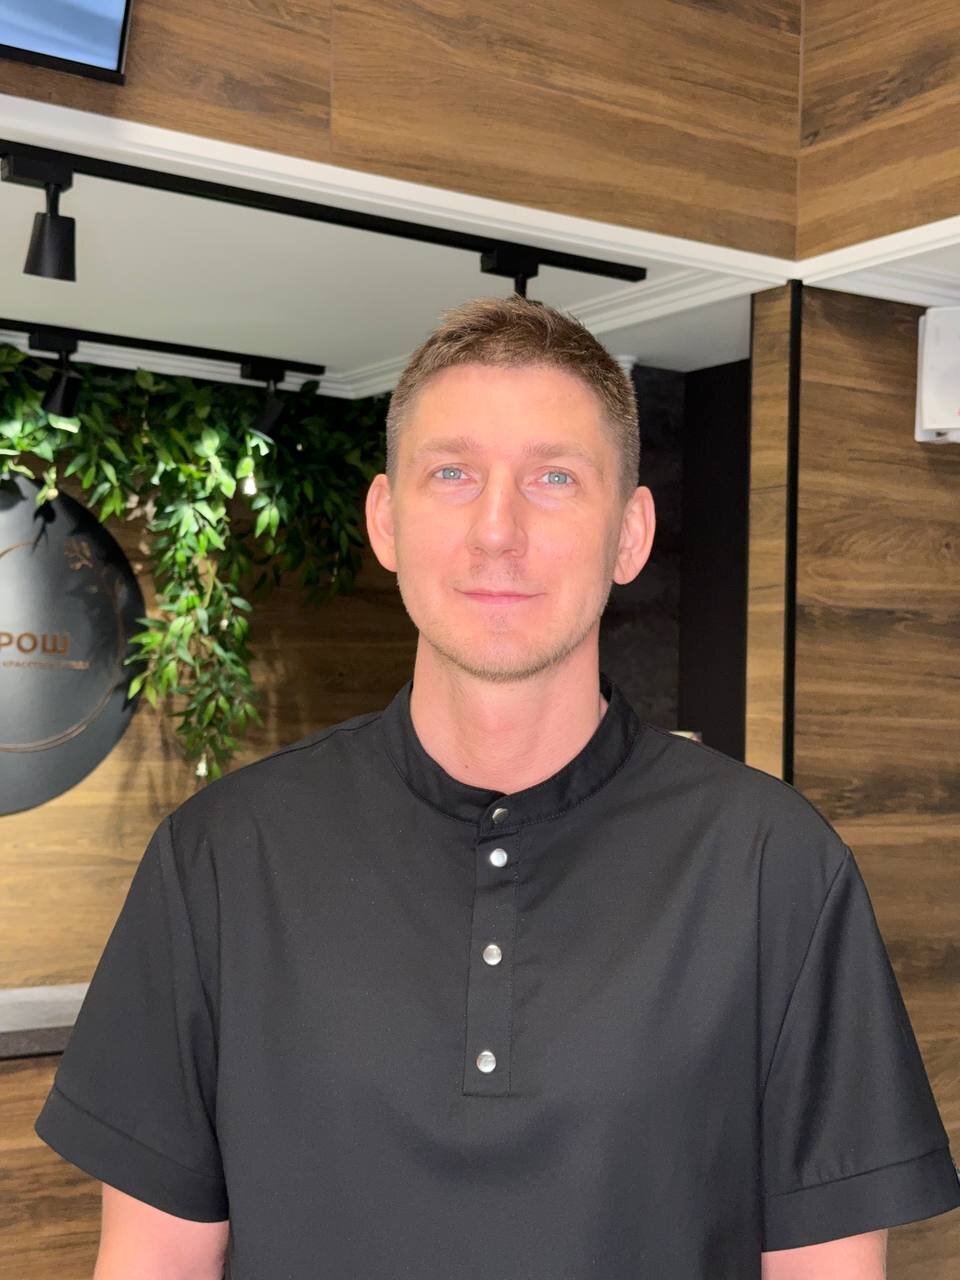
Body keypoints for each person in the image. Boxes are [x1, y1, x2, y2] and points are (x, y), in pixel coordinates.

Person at [35, 295, 960, 1279]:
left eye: (554, 477)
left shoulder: (774, 866)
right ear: (386, 520)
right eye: (453, 473)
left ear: (631, 532)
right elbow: (154, 1260)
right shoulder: (218, 859)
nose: (497, 529)